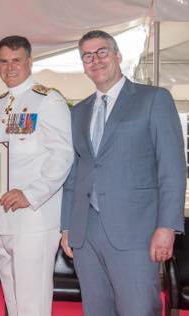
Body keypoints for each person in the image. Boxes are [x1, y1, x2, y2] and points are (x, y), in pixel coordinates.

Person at [61, 30, 186, 316]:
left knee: (139, 310)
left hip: (137, 232)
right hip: (85, 234)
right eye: (87, 56)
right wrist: (66, 225)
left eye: (102, 52)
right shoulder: (77, 112)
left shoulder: (154, 99)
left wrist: (167, 227)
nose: (96, 60)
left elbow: (172, 168)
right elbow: (74, 172)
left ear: (118, 55)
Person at [0, 35, 74, 316]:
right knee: (14, 304)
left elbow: (62, 154)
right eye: (3, 61)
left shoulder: (48, 100)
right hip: (3, 218)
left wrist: (31, 194)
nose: (9, 67)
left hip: (35, 218)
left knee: (32, 305)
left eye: (16, 60)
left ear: (29, 61)